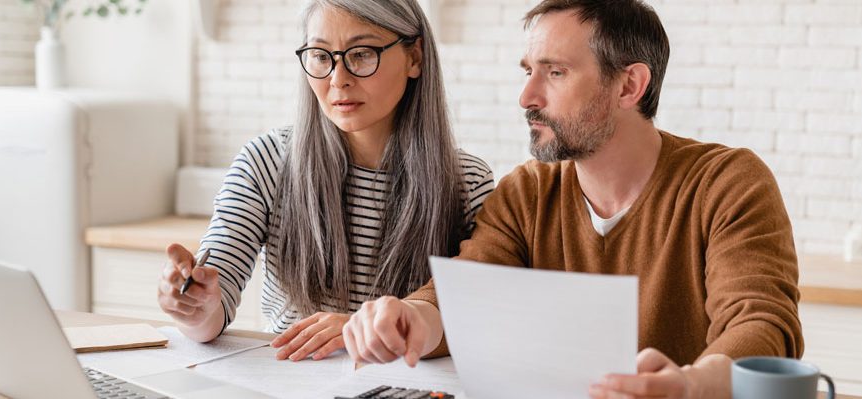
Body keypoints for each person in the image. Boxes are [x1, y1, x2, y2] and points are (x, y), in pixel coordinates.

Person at [342, 1, 802, 398]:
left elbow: (763, 325)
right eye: (528, 72)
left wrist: (693, 385)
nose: (527, 96)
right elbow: (465, 294)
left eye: (555, 73)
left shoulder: (726, 183)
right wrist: (410, 319)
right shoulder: (527, 192)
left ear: (629, 86)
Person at [156, 0, 494, 363]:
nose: (338, 79)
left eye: (362, 54)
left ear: (415, 58)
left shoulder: (467, 181)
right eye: (320, 56)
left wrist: (359, 332)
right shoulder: (267, 161)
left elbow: (473, 320)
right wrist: (193, 306)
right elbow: (212, 312)